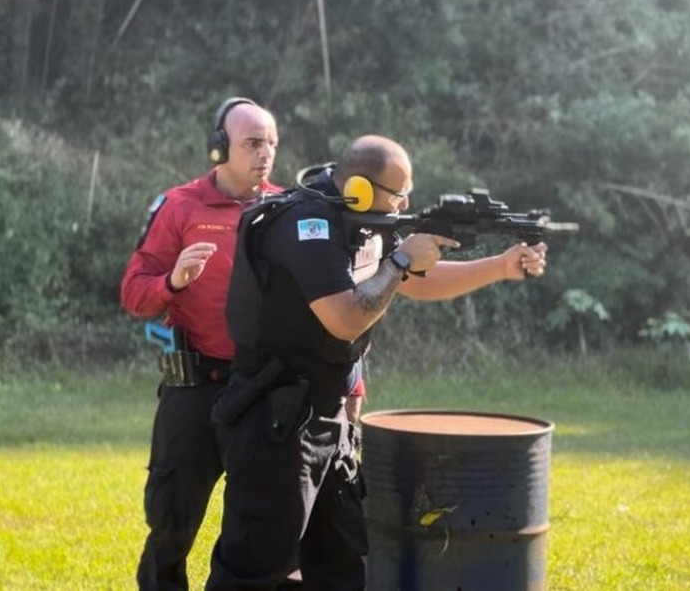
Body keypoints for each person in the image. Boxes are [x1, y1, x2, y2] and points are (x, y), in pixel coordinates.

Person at [205, 134, 549, 590]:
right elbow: (347, 319)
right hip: (275, 422)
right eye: (398, 193)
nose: (405, 203)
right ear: (362, 189)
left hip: (327, 418)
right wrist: (404, 259)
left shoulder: (364, 219)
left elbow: (414, 282)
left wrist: (500, 267)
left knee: (341, 564)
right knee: (254, 568)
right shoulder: (307, 226)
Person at [120, 97, 281, 590]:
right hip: (193, 388)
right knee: (171, 524)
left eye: (271, 144)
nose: (265, 154)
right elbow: (133, 294)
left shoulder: (287, 210)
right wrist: (173, 280)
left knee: (258, 527)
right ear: (219, 149)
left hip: (262, 389)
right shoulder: (178, 207)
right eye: (252, 143)